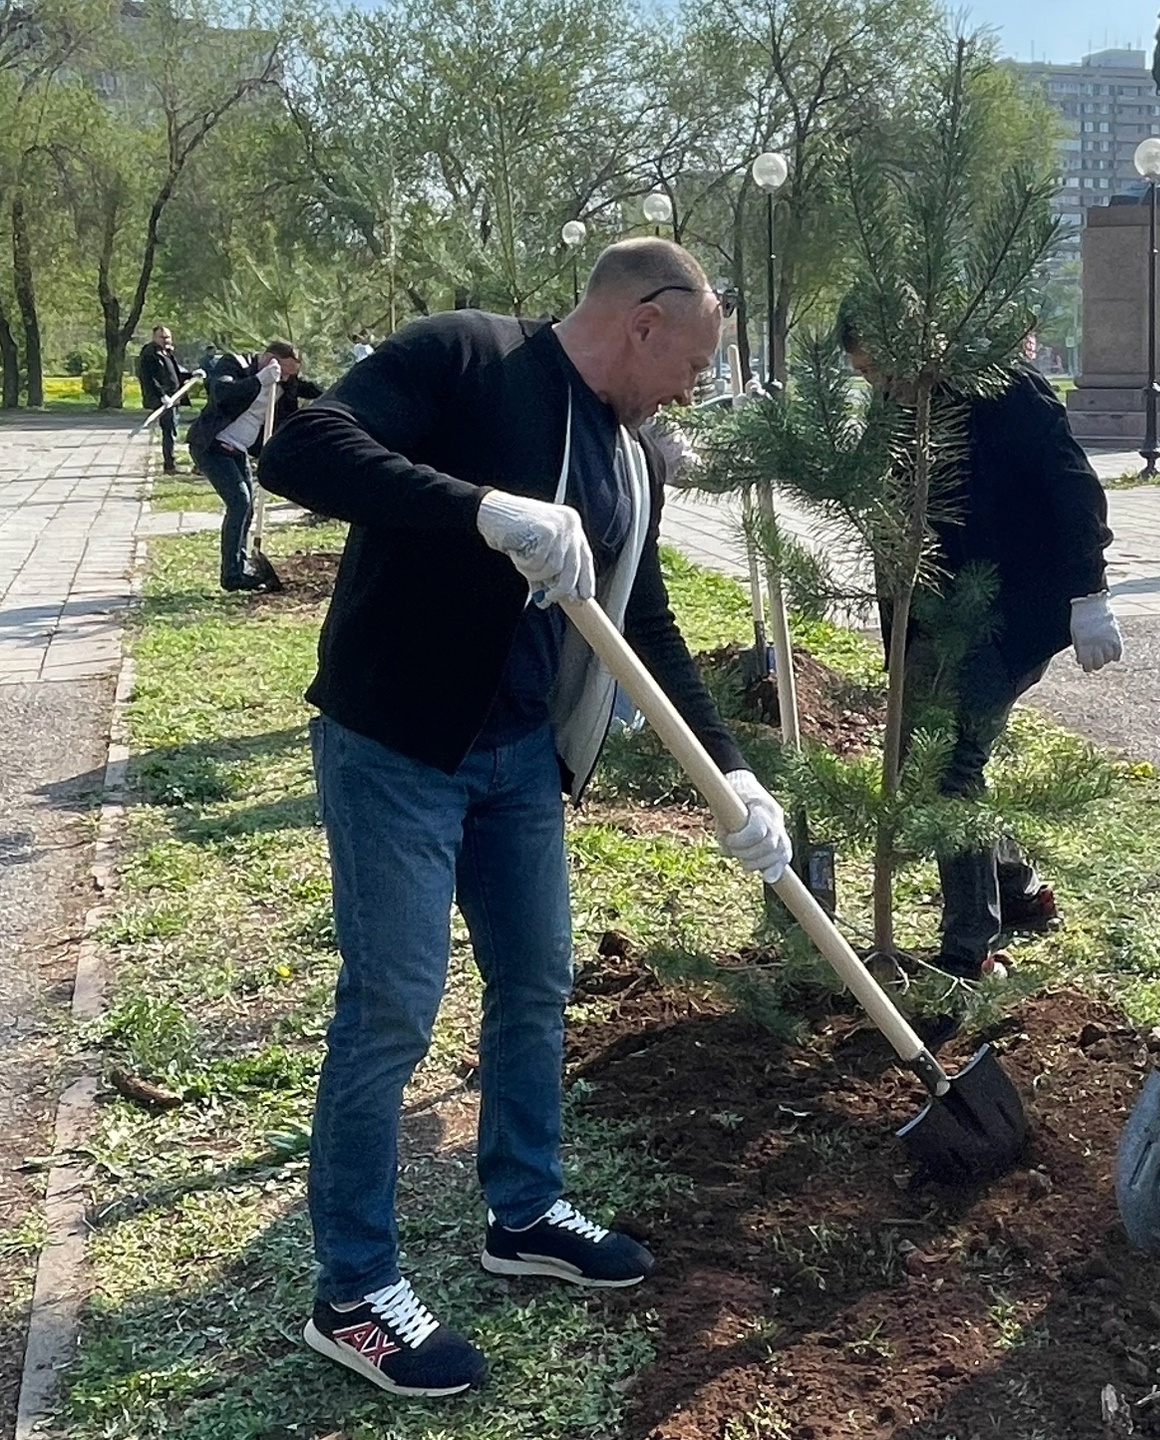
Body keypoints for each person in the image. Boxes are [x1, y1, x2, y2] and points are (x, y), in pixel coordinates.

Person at [255, 240, 791, 1399]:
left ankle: (527, 1208)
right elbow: (300, 447)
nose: (691, 389)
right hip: (395, 745)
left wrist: (735, 774)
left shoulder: (629, 457)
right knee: (392, 1006)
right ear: (645, 321)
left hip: (519, 761)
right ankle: (352, 1294)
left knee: (537, 982)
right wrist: (482, 509)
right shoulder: (464, 354)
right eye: (692, 362)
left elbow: (643, 627)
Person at [837, 299, 1121, 979]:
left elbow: (1074, 486)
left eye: (883, 369)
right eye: (866, 375)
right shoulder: (898, 407)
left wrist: (1090, 593)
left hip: (1008, 608)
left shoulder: (1002, 385)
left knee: (949, 769)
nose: (882, 386)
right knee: (925, 758)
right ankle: (1017, 888)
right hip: (933, 616)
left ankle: (971, 948)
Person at [189, 341, 321, 592]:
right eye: (283, 371)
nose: (285, 378)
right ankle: (232, 574)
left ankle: (241, 566)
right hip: (212, 445)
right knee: (239, 502)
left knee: (247, 507)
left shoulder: (285, 382)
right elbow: (222, 392)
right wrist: (260, 380)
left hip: (238, 450)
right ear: (269, 358)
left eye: (291, 374)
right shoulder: (235, 364)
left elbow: (311, 390)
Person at [135, 325, 189, 474]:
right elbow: (148, 378)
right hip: (164, 400)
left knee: (173, 429)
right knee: (169, 430)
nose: (166, 340)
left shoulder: (167, 352)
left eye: (168, 337)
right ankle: (169, 465)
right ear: (154, 338)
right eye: (162, 337)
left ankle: (170, 462)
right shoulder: (150, 354)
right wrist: (161, 396)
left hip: (174, 397)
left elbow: (175, 373)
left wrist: (191, 375)